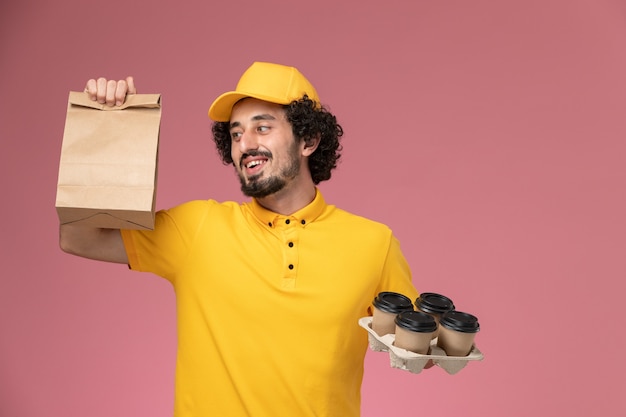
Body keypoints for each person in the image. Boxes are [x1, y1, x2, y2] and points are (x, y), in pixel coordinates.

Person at [60, 61, 419, 417]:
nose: (245, 144)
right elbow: (79, 237)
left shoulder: (374, 243)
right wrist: (107, 128)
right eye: (235, 134)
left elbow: (420, 345)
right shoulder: (197, 228)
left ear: (308, 140)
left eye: (262, 128)